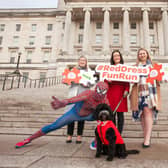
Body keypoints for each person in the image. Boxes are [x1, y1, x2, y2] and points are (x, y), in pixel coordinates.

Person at [15, 81, 110, 148]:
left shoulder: (105, 101)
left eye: (103, 92)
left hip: (90, 115)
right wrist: (63, 102)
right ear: (95, 89)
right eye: (99, 91)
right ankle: (28, 139)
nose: (100, 94)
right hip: (75, 113)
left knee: (104, 121)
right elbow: (74, 99)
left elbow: (108, 112)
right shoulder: (88, 94)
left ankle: (96, 141)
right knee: (54, 126)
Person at [89, 50, 129, 150]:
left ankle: (119, 134)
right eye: (114, 55)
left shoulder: (125, 68)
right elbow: (105, 80)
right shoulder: (109, 68)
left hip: (121, 93)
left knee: (120, 115)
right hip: (111, 93)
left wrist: (127, 90)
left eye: (118, 55)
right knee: (112, 115)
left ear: (120, 57)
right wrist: (108, 80)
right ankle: (113, 134)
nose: (116, 57)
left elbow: (128, 80)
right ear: (112, 58)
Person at [129, 48, 161, 148]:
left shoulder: (154, 66)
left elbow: (160, 77)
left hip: (150, 91)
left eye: (144, 53)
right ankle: (145, 136)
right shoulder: (135, 67)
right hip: (138, 92)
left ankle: (147, 139)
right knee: (142, 114)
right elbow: (130, 80)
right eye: (140, 54)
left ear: (147, 54)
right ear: (138, 56)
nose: (142, 55)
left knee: (147, 111)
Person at [66, 56, 93, 144]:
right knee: (70, 116)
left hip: (83, 95)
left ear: (86, 62)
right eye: (81, 60)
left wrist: (87, 83)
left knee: (81, 116)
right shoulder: (73, 71)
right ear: (78, 62)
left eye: (84, 60)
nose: (82, 62)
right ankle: (69, 135)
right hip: (73, 95)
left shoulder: (89, 72)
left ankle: (79, 136)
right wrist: (67, 80)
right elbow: (67, 81)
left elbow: (92, 83)